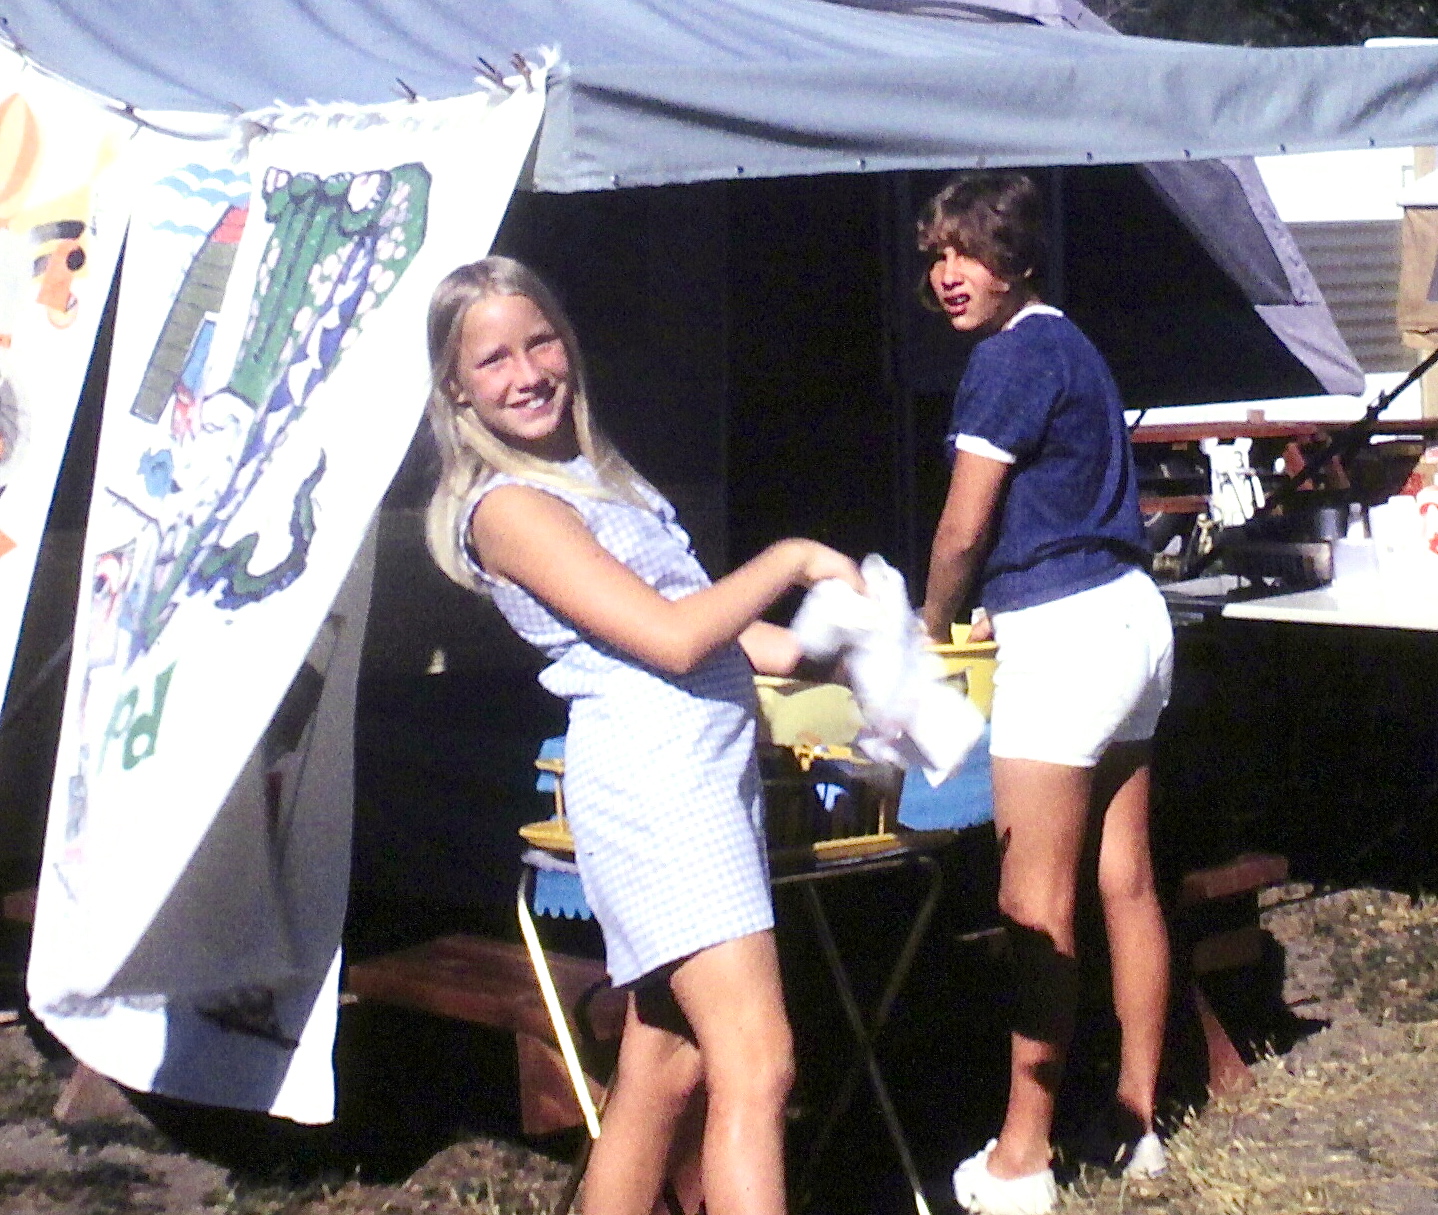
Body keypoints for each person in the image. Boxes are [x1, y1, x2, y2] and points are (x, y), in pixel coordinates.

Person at [422, 256, 864, 1215]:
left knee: (664, 1066)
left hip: (700, 780)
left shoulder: (593, 480)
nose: (527, 372)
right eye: (493, 359)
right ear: (456, 388)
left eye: (540, 342)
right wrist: (792, 556)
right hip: (661, 793)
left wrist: (856, 651)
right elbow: (674, 638)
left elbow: (730, 633)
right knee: (759, 1062)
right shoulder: (509, 507)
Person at [916, 172, 1174, 1215]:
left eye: (970, 253)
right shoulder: (1072, 346)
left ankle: (1021, 1161)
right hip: (1132, 618)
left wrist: (929, 631)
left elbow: (962, 527)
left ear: (1018, 260)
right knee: (1127, 881)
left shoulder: (1006, 359)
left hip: (1067, 639)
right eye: (937, 256)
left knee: (1033, 903)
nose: (948, 274)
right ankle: (1136, 1122)